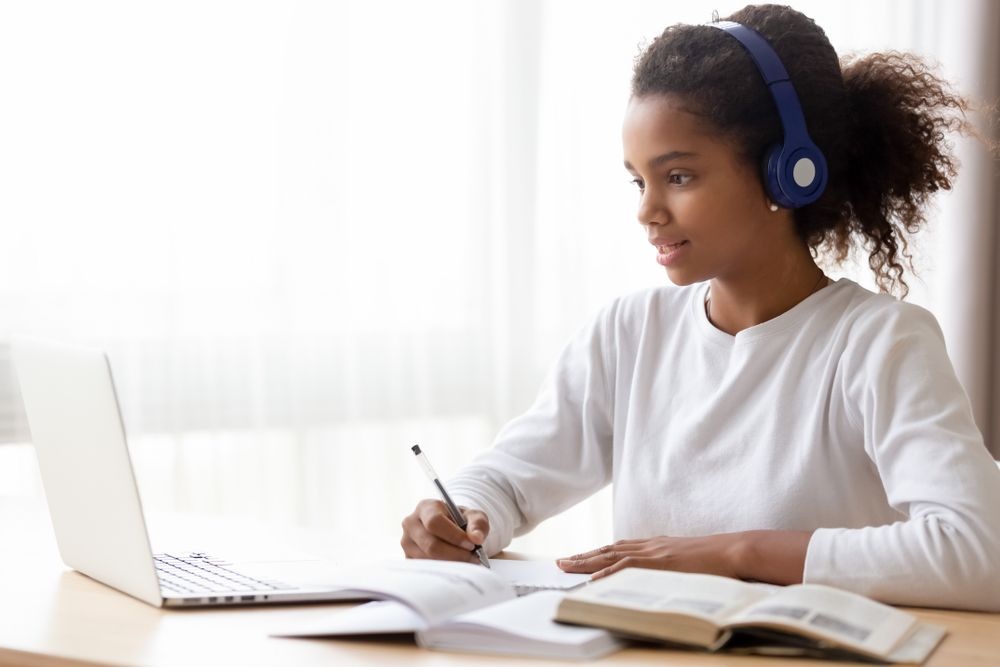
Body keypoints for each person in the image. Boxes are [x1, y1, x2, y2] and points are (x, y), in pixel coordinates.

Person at [400, 3, 1000, 611]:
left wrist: (735, 554)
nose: (647, 210)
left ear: (787, 175)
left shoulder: (880, 343)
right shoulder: (630, 334)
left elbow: (983, 552)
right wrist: (463, 514)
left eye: (679, 177)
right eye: (639, 181)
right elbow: (507, 481)